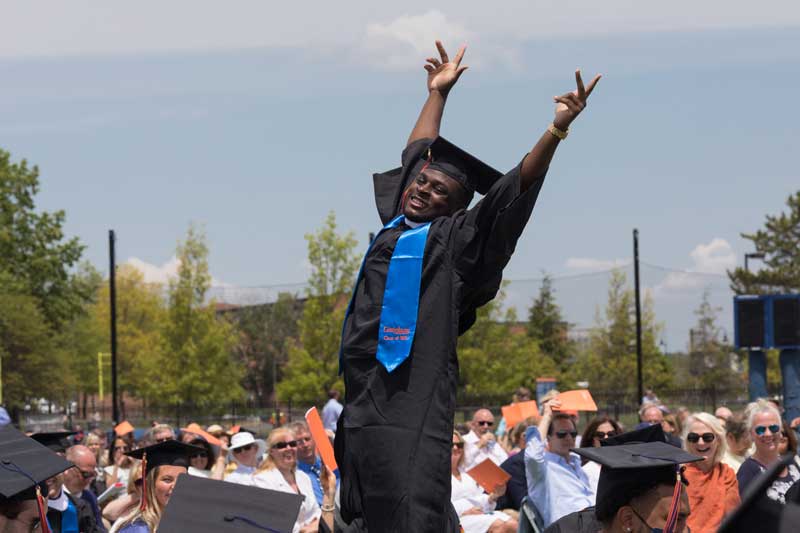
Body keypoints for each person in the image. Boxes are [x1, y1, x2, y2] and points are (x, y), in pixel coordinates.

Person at [335, 39, 600, 532]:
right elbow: (417, 150)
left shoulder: (453, 240)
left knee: (410, 495)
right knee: (362, 500)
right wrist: (438, 94)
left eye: (440, 190)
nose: (423, 189)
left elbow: (510, 193)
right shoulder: (397, 220)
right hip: (362, 390)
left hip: (412, 389)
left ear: (455, 208)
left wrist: (556, 128)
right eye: (422, 182)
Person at [524, 399, 594, 526]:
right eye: (562, 434)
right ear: (548, 438)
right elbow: (533, 456)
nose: (568, 438)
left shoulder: (577, 463)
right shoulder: (543, 468)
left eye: (572, 434)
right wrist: (547, 416)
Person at [109, 440, 202, 533]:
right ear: (150, 484)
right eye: (167, 480)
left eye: (182, 478)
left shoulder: (195, 524)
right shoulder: (136, 530)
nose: (175, 486)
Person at [252, 428, 320, 533]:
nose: (289, 448)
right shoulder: (261, 480)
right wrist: (304, 530)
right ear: (271, 451)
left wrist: (315, 525)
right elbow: (273, 520)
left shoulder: (303, 477)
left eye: (292, 444)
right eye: (281, 446)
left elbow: (316, 511)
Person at [681, 412, 740, 533]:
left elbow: (734, 516)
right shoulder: (678, 475)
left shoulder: (727, 474)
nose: (701, 443)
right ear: (688, 442)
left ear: (718, 440)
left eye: (707, 437)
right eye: (694, 438)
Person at [450, 431, 516, 533]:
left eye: (459, 445)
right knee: (504, 526)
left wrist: (494, 496)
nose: (455, 448)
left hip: (479, 514)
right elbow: (441, 505)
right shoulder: (438, 476)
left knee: (515, 521)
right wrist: (463, 512)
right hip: (457, 519)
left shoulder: (467, 473)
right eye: (451, 444)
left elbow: (477, 498)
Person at [737, 398, 800, 503]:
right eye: (760, 430)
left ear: (780, 431)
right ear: (751, 434)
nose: (768, 434)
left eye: (773, 428)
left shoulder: (791, 463)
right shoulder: (747, 472)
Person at [64, 445, 107, 532]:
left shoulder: (89, 497)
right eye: (86, 474)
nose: (90, 479)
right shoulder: (53, 497)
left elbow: (99, 527)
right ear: (68, 468)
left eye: (93, 474)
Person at [578, 415, 622, 494]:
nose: (606, 438)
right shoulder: (586, 471)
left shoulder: (624, 465)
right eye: (600, 435)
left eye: (611, 434)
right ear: (592, 440)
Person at [289, 421, 327, 506]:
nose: (305, 444)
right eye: (299, 441)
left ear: (314, 439)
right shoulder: (294, 475)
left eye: (307, 439)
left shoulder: (328, 465)